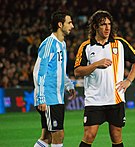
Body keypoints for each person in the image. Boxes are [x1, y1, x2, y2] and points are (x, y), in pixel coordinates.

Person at [74, 10, 135, 147]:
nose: (107, 27)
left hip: (115, 98)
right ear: (95, 27)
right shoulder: (86, 46)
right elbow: (77, 71)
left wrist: (128, 81)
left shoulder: (119, 43)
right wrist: (96, 64)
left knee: (116, 135)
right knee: (89, 134)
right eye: (103, 24)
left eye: (109, 24)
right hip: (94, 99)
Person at [33, 10, 76, 147]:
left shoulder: (62, 44)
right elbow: (39, 72)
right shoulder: (48, 44)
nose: (72, 26)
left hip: (57, 96)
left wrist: (68, 85)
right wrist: (41, 98)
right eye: (69, 22)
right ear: (60, 24)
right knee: (58, 135)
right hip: (48, 97)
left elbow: (59, 70)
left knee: (47, 138)